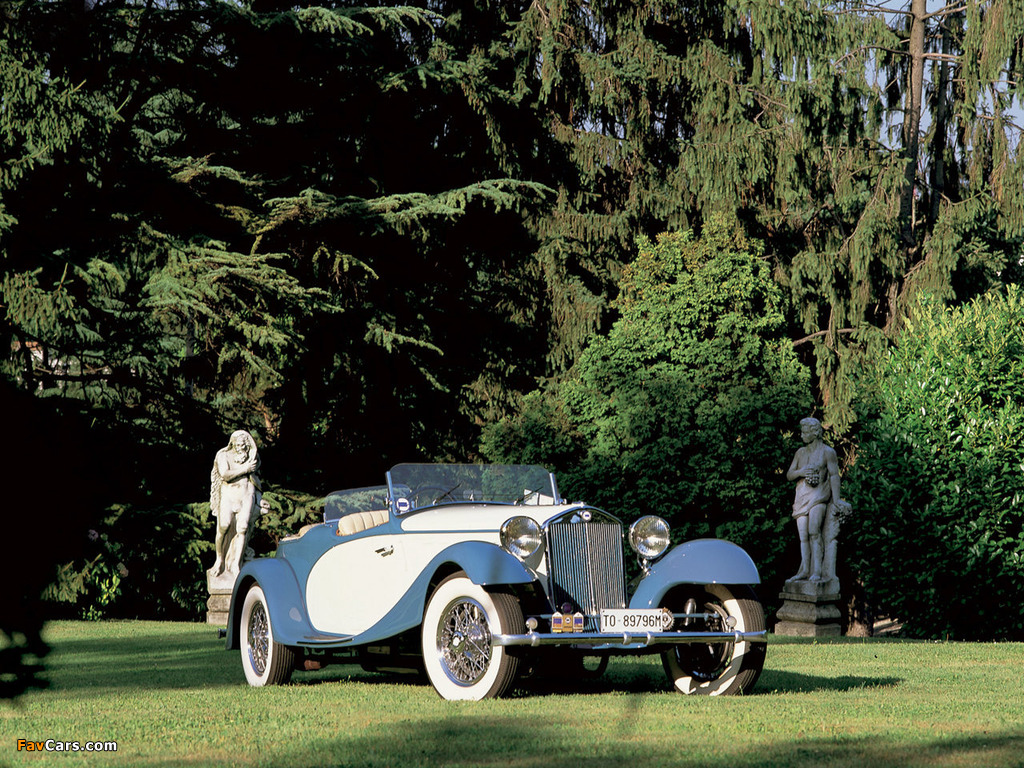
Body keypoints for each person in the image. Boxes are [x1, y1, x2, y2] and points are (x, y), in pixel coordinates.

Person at [786, 417, 852, 582]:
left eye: (805, 432)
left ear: (814, 433)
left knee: (814, 531)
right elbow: (789, 475)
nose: (802, 435)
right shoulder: (800, 453)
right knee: (803, 536)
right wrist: (802, 471)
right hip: (801, 497)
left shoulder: (827, 452)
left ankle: (817, 571)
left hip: (819, 497)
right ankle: (804, 570)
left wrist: (836, 500)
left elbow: (833, 476)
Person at [210, 430, 263, 578]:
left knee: (243, 528)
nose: (241, 447)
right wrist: (245, 469)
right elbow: (225, 474)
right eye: (238, 444)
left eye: (244, 444)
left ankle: (236, 564)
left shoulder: (252, 456)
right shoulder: (223, 456)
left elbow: (256, 476)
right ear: (232, 443)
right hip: (229, 495)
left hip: (246, 494)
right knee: (223, 526)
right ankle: (219, 560)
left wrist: (259, 498)